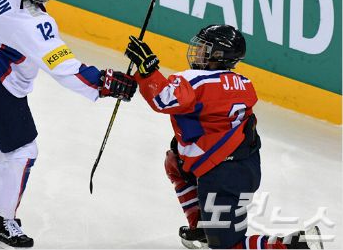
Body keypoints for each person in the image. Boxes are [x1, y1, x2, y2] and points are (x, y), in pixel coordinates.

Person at [0, 0, 137, 248]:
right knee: (24, 151)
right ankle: (2, 222)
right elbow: (65, 68)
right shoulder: (26, 22)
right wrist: (104, 83)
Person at [124, 25, 323, 249]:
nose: (197, 51)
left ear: (217, 56)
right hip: (245, 168)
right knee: (176, 161)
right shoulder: (245, 84)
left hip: (221, 178)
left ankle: (300, 244)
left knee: (228, 246)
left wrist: (148, 70)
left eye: (203, 48)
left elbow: (164, 99)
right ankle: (202, 227)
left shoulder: (194, 80)